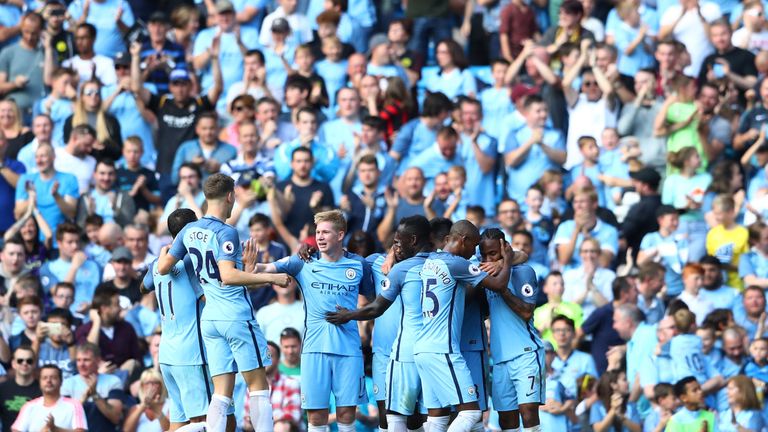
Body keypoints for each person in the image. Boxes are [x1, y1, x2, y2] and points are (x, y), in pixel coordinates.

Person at [157, 173, 290, 432]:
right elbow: (228, 275)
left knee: (221, 392)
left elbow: (162, 267)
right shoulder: (226, 232)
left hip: (211, 320)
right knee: (258, 386)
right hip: (235, 315)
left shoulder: (188, 230)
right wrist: (271, 277)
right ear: (230, 196)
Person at [256, 209, 374, 431]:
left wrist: (353, 315)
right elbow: (265, 268)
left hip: (348, 349)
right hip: (314, 349)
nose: (319, 237)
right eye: (317, 232)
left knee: (347, 413)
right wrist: (251, 263)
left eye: (325, 232)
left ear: (340, 235)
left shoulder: (359, 265)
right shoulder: (303, 261)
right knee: (317, 416)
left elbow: (374, 303)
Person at [325, 215, 432, 431]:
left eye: (400, 243)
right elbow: (339, 259)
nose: (397, 247)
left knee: (415, 417)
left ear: (413, 241)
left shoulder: (428, 266)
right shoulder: (374, 262)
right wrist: (307, 252)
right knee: (386, 415)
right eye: (394, 243)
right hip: (383, 351)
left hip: (415, 351)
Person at [414, 221, 514, 432]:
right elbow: (499, 285)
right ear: (463, 240)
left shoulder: (431, 260)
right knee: (471, 412)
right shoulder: (457, 264)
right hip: (443, 349)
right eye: (473, 246)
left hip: (422, 349)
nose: (473, 254)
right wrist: (508, 260)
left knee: (437, 418)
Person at [143, 208, 222, 431]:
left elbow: (144, 286)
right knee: (202, 422)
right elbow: (208, 299)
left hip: (167, 355)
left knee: (178, 423)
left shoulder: (158, 262)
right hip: (191, 355)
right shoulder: (192, 262)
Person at [479, 228, 543, 432]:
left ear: (505, 248)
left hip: (526, 353)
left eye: (493, 254)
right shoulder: (485, 274)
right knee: (506, 420)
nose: (488, 259)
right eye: (484, 255)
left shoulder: (523, 271)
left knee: (528, 412)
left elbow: (526, 312)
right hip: (499, 358)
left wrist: (502, 288)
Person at [74, 287, 142, 377]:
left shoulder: (127, 328)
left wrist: (123, 369)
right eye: (117, 304)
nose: (120, 308)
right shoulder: (83, 330)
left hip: (124, 378)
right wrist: (97, 322)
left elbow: (137, 359)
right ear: (104, 308)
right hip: (95, 378)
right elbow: (87, 352)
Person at [60, 343, 125, 431]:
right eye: (78, 360)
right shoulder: (68, 383)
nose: (81, 364)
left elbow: (115, 417)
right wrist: (83, 399)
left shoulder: (113, 381)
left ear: (98, 361)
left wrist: (95, 395)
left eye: (86, 360)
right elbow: (65, 419)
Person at [11, 365, 87, 432]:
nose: (48, 381)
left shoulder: (74, 405)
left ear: (61, 382)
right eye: (44, 378)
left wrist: (55, 429)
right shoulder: (29, 406)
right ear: (40, 382)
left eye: (53, 377)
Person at [0, 13, 44, 121]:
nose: (29, 37)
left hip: (41, 114)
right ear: (21, 29)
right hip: (17, 114)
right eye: (26, 32)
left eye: (34, 33)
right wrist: (15, 84)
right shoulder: (8, 52)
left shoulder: (48, 52)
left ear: (41, 31)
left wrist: (48, 48)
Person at [0, 347, 41, 432]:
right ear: (13, 364)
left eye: (29, 361)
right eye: (20, 360)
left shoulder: (43, 390)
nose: (24, 363)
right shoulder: (2, 389)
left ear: (34, 364)